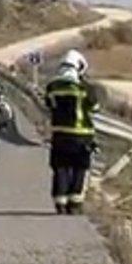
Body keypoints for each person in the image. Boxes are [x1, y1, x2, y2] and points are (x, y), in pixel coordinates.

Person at [44, 49, 99, 215]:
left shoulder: (51, 87)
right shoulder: (84, 88)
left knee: (61, 168)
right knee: (79, 169)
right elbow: (95, 107)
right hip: (82, 135)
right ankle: (75, 204)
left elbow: (48, 104)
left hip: (59, 135)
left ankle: (60, 202)